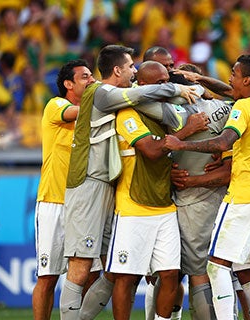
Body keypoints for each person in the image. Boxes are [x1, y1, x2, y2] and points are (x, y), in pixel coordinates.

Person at [59, 44, 198, 320]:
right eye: (131, 67)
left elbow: (157, 107)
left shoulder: (116, 97)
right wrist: (176, 89)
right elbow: (141, 94)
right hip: (88, 183)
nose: (133, 72)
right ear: (117, 70)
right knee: (80, 265)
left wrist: (187, 89)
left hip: (107, 185)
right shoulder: (101, 92)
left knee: (111, 270)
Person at [163, 54, 250, 320]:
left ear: (246, 79)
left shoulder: (243, 108)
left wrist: (182, 145)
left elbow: (223, 142)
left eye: (234, 73)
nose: (230, 78)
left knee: (216, 266)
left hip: (244, 197)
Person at [107, 60, 209, 320]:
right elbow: (152, 151)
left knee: (170, 274)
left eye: (168, 81)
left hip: (164, 205)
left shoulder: (168, 113)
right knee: (127, 277)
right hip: (133, 206)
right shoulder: (128, 113)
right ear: (142, 86)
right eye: (160, 83)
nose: (168, 87)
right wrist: (188, 130)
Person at [32, 60, 100, 320]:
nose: (91, 80)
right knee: (48, 278)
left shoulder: (97, 114)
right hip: (54, 202)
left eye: (92, 75)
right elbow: (78, 113)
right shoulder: (56, 105)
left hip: (83, 204)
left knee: (92, 273)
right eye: (84, 77)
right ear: (68, 85)